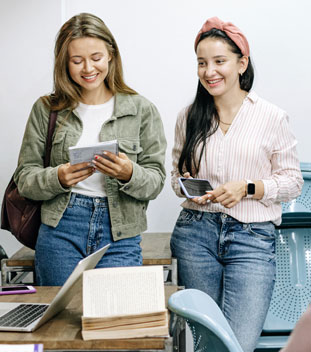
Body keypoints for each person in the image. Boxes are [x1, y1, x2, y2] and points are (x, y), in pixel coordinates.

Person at [170, 16, 303, 352]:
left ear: (241, 63)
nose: (209, 71)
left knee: (237, 344)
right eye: (201, 63)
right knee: (206, 342)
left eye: (219, 61)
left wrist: (247, 187)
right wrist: (185, 185)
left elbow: (292, 182)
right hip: (195, 234)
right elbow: (175, 177)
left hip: (253, 239)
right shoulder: (189, 117)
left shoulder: (272, 117)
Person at [14, 13, 167, 286]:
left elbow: (155, 182)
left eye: (96, 57)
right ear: (64, 63)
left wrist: (129, 173)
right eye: (76, 61)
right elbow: (25, 179)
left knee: (114, 321)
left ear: (111, 55)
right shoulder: (46, 110)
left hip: (120, 232)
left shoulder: (141, 110)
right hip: (60, 228)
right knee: (59, 321)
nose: (88, 68)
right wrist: (58, 177)